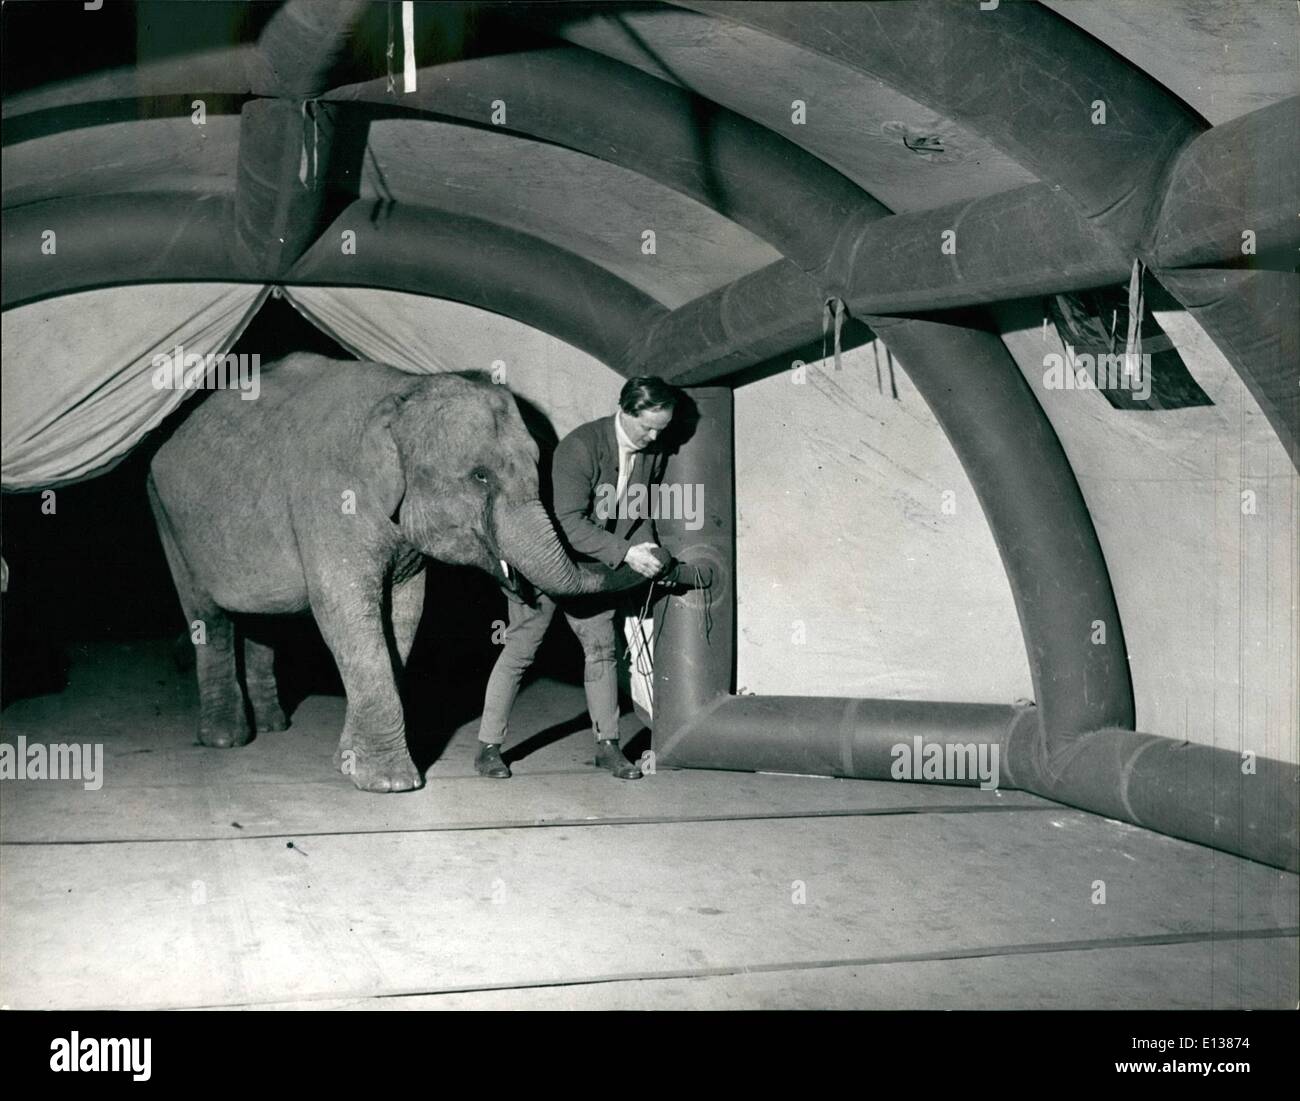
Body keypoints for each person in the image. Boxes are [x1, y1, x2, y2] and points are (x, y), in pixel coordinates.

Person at [474, 376, 682, 780]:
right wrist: (625, 554)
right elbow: (567, 523)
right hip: (543, 561)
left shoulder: (651, 452)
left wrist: (647, 550)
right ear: (624, 410)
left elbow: (637, 515)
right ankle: (488, 749)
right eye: (647, 427)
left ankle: (608, 747)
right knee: (521, 652)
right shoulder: (581, 447)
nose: (654, 436)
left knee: (602, 651)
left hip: (591, 568)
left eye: (662, 428)